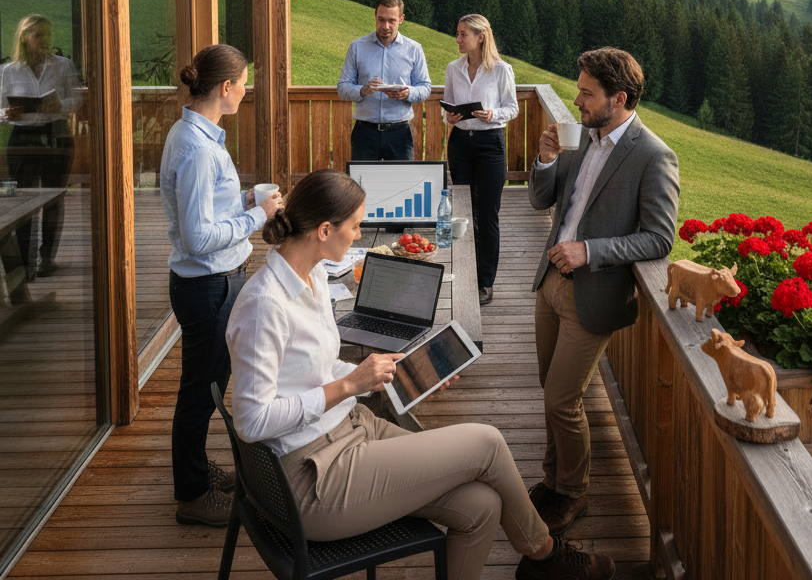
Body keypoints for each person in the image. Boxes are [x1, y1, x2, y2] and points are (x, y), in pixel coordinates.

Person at [226, 168, 615, 580]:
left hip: (351, 429)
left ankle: (542, 559)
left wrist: (402, 373)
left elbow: (316, 371)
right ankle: (545, 555)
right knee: (487, 442)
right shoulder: (265, 305)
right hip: (311, 479)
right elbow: (251, 421)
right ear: (325, 229)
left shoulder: (314, 276)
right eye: (356, 226)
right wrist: (348, 385)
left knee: (482, 506)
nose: (359, 235)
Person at [528, 48, 679, 535]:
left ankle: (572, 492)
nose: (576, 100)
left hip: (593, 295)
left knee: (561, 400)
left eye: (586, 93)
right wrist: (546, 160)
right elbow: (540, 199)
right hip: (550, 284)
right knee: (549, 389)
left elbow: (659, 238)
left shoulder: (653, 155)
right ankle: (552, 480)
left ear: (618, 98)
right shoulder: (581, 137)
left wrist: (588, 251)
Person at [160, 44, 285, 527]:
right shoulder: (195, 149)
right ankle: (192, 495)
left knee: (209, 384)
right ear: (226, 88)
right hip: (207, 286)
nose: (247, 89)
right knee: (200, 392)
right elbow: (198, 237)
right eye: (244, 82)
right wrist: (259, 214)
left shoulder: (199, 134)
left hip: (215, 282)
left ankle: (196, 473)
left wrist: (249, 195)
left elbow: (209, 210)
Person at [443, 14, 518, 306]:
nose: (459, 39)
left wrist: (492, 115)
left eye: (463, 34)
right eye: (458, 34)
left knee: (487, 215)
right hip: (460, 143)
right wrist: (448, 116)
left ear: (480, 37)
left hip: (490, 145)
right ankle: (463, 273)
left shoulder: (501, 70)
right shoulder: (453, 68)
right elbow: (447, 104)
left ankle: (485, 282)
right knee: (462, 211)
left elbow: (511, 108)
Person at [0, 15, 82, 279]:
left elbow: (77, 100)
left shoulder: (62, 65)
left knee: (53, 199)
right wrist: (7, 113)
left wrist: (60, 106)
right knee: (23, 200)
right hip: (22, 136)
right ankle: (24, 265)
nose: (44, 40)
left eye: (46, 34)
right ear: (24, 37)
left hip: (55, 133)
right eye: (37, 34)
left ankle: (47, 258)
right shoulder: (9, 70)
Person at [337, 0, 432, 161]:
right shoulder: (357, 47)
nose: (385, 26)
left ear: (401, 19)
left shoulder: (414, 49)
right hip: (364, 132)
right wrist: (363, 90)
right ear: (375, 15)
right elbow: (343, 88)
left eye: (391, 20)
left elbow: (425, 87)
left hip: (400, 133)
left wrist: (408, 93)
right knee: (361, 185)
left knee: (402, 185)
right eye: (381, 19)